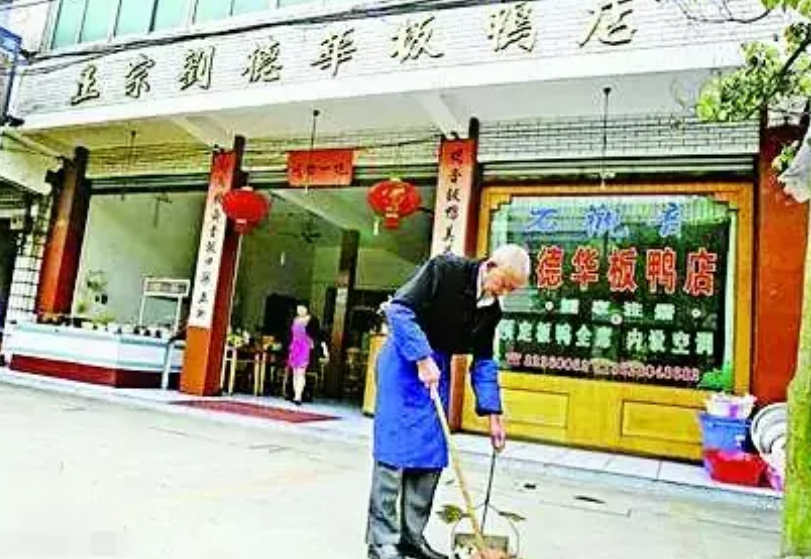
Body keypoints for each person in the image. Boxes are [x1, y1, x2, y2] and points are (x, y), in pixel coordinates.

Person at [366, 244, 531, 559]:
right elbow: (399, 310)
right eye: (505, 284)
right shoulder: (445, 270)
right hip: (403, 364)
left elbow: (484, 361)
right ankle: (382, 542)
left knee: (430, 457)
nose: (505, 293)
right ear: (491, 265)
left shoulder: (491, 310)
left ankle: (412, 538)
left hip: (437, 368)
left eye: (512, 289)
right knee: (393, 455)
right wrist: (421, 356)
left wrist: (494, 416)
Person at [286, 304, 328, 405]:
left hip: (305, 347)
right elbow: (290, 335)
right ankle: (295, 394)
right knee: (295, 372)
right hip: (294, 347)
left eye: (302, 308)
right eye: (298, 308)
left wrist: (324, 349)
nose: (300, 310)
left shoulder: (312, 320)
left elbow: (319, 335)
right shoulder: (294, 319)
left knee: (301, 372)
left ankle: (298, 396)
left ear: (306, 309)